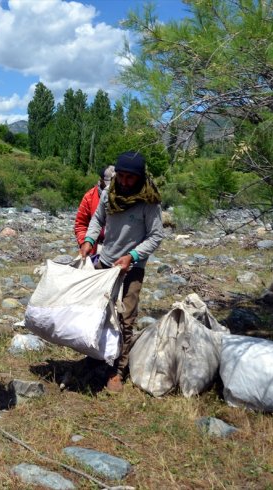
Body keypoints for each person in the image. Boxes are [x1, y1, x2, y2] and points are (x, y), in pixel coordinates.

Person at [79, 151, 164, 393]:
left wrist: (133, 256)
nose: (125, 182)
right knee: (98, 314)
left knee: (126, 319)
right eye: (122, 176)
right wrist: (89, 240)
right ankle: (94, 357)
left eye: (130, 178)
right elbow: (97, 219)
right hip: (105, 263)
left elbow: (156, 235)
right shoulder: (109, 194)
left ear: (139, 178)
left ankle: (117, 370)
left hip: (132, 268)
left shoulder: (149, 202)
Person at [74, 165, 114, 262]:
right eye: (109, 183)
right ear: (101, 180)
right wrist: (85, 242)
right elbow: (80, 224)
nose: (111, 187)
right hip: (94, 246)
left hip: (115, 248)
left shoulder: (124, 196)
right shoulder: (89, 197)